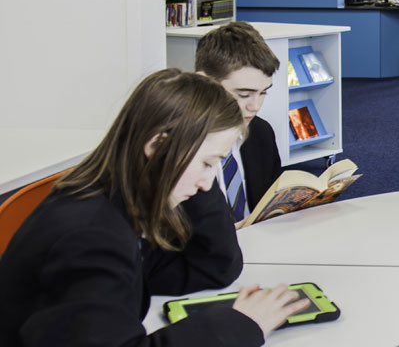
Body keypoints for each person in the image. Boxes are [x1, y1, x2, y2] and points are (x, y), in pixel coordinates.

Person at [0, 69, 310, 346]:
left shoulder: (121, 201)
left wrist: (194, 166)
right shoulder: (91, 238)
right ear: (158, 146)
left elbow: (213, 267)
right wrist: (240, 324)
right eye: (205, 164)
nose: (207, 184)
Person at [195, 21, 283, 219]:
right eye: (244, 94)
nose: (256, 106)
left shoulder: (261, 133)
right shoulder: (182, 144)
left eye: (263, 93)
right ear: (204, 82)